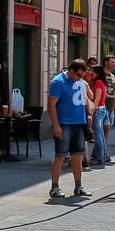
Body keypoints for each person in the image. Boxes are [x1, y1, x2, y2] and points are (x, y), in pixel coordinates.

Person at [47, 58, 90, 198]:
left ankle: (78, 186)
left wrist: (88, 114)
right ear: (71, 71)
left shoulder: (80, 81)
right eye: (78, 75)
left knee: (77, 155)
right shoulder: (58, 82)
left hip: (79, 123)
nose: (80, 78)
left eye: (82, 75)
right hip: (64, 124)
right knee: (60, 155)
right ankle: (54, 187)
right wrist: (56, 125)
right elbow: (51, 105)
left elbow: (84, 98)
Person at [88, 64, 111, 166]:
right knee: (100, 135)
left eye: (93, 71)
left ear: (97, 73)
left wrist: (91, 112)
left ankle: (100, 158)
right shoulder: (102, 82)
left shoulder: (98, 82)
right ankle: (103, 156)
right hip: (102, 109)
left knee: (98, 136)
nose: (91, 73)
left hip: (98, 110)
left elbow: (97, 99)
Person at [101, 56, 115, 158]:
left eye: (114, 62)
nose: (114, 64)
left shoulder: (112, 76)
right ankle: (103, 152)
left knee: (106, 131)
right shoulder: (101, 75)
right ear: (106, 62)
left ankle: (102, 150)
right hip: (103, 106)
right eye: (112, 62)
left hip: (111, 107)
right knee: (104, 129)